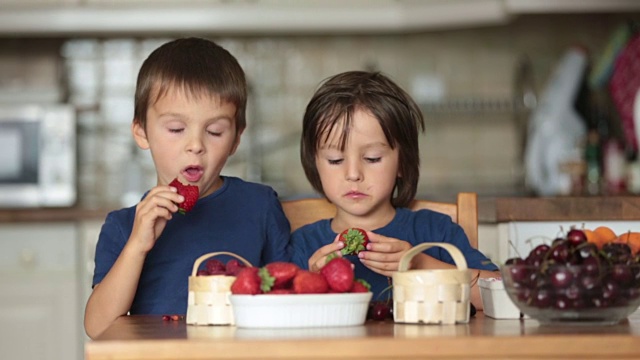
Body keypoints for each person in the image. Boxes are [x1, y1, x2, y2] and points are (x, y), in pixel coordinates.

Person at [84, 37, 291, 339]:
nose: (195, 145)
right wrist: (138, 246)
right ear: (141, 132)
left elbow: (290, 302)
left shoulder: (260, 205)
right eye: (176, 129)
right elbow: (97, 327)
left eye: (215, 131)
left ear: (236, 139)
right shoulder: (124, 226)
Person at [290, 71, 498, 307]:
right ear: (315, 164)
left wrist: (420, 265)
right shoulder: (302, 245)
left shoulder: (435, 231)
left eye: (372, 158)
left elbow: (499, 293)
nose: (353, 174)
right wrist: (310, 284)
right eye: (336, 160)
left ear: (403, 162)